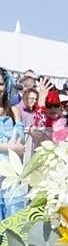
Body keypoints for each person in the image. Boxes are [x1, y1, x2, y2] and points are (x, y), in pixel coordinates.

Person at [0, 68, 26, 218]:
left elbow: (19, 141)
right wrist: (10, 148)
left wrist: (17, 121)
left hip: (10, 173)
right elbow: (14, 146)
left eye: (1, 84)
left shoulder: (11, 109)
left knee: (13, 217)